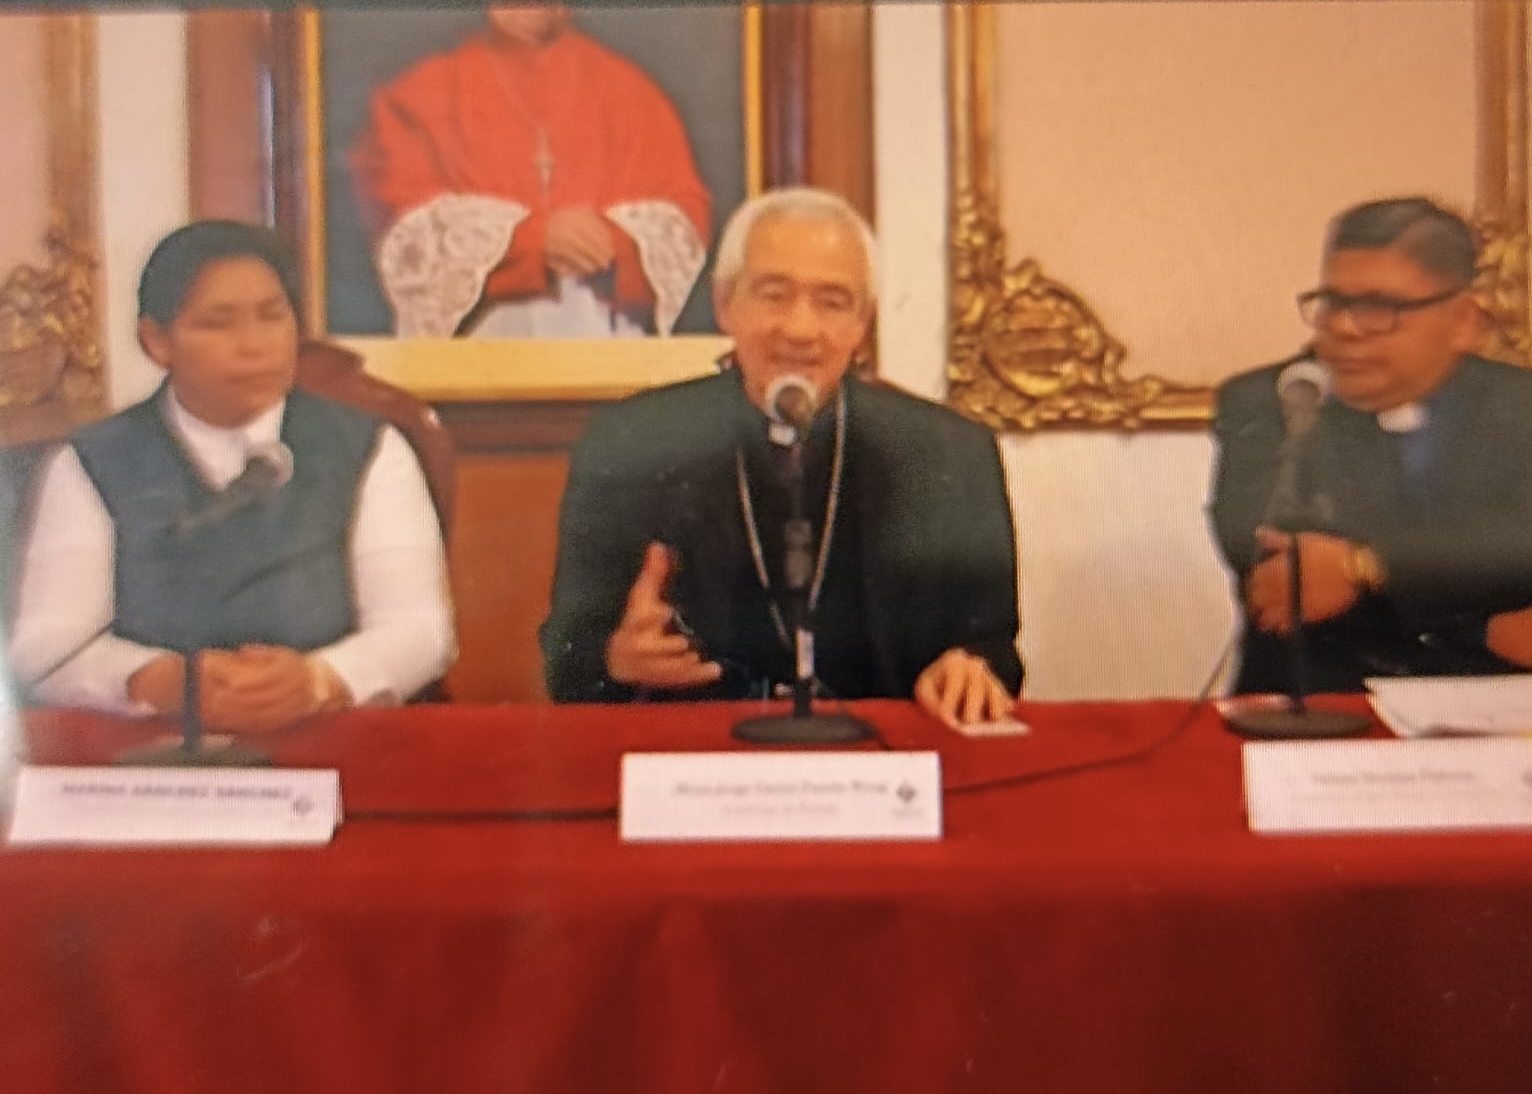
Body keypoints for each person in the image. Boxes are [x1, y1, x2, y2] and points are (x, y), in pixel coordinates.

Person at [541, 187, 1024, 726]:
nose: (799, 329)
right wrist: (615, 659)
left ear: (862, 324)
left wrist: (969, 666)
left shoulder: (949, 453)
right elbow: (566, 657)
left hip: (881, 751)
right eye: (773, 295)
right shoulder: (630, 440)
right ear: (725, 305)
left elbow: (994, 650)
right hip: (698, 750)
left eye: (832, 302)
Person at [7, 220, 455, 733]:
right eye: (217, 323)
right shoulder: (91, 462)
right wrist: (153, 679)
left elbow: (419, 629)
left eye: (273, 316)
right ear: (156, 341)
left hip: (330, 735)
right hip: (158, 748)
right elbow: (47, 650)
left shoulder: (370, 446)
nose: (253, 345)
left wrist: (320, 679)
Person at [1209, 196, 1532, 694]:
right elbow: (1273, 566)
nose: (1344, 328)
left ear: (1463, 321)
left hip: (1509, 697)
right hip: (1319, 698)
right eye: (1332, 303)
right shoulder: (1271, 400)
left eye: (1378, 308)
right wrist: (1477, 626)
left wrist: (1361, 565)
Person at [349, 3, 712, 339]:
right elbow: (403, 230)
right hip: (475, 362)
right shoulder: (417, 95)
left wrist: (614, 242)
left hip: (612, 353)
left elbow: (685, 214)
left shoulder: (635, 94)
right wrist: (529, 242)